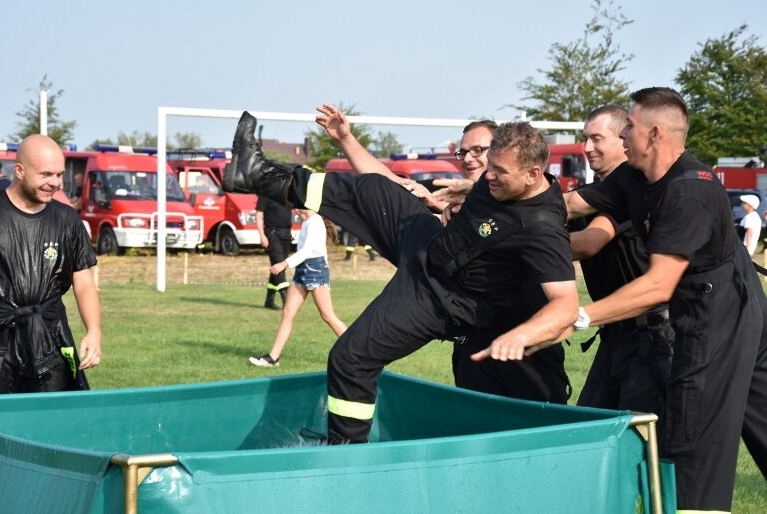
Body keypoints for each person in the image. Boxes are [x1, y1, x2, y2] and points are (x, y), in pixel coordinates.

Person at [223, 109, 578, 444]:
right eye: (489, 166)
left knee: (350, 358)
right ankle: (256, 173)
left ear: (533, 175)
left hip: (442, 297)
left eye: (500, 171)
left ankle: (345, 452)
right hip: (428, 245)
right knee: (375, 190)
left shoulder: (543, 227)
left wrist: (522, 335)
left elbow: (566, 304)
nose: (489, 176)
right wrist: (449, 206)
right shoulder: (500, 180)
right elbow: (474, 207)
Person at [563, 87, 767, 512]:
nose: (623, 135)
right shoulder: (634, 178)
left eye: (629, 127)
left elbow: (658, 286)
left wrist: (578, 316)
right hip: (718, 312)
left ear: (655, 134)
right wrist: (490, 206)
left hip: (718, 318)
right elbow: (569, 203)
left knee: (692, 440)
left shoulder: (689, 191)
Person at [315, 105, 571, 403]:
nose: (474, 159)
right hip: (472, 342)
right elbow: (388, 186)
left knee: (534, 436)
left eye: (481, 150)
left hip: (525, 351)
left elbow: (564, 276)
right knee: (472, 431)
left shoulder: (537, 214)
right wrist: (346, 139)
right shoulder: (458, 193)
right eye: (464, 152)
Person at [569, 104, 675, 418]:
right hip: (616, 334)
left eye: (597, 138)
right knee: (588, 427)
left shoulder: (634, 189)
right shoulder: (594, 192)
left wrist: (516, 242)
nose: (587, 147)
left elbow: (590, 243)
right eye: (585, 138)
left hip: (653, 336)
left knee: (641, 437)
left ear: (623, 138)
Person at [0, 134, 102, 393]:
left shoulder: (67, 219)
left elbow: (84, 282)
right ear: (19, 171)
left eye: (59, 175)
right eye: (46, 175)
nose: (55, 183)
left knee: (56, 417)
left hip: (51, 335)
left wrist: (94, 331)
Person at [249, 209, 347, 367]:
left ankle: (361, 351)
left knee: (328, 316)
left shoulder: (315, 221)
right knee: (288, 313)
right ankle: (273, 358)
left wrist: (284, 264)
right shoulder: (307, 221)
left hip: (315, 270)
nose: (293, 208)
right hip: (303, 269)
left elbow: (309, 251)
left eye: (295, 204)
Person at [256, 196, 292, 310]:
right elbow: (259, 215)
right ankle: (286, 300)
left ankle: (269, 300)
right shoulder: (265, 194)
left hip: (286, 234)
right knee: (278, 263)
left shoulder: (288, 193)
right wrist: (262, 235)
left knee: (278, 268)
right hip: (272, 233)